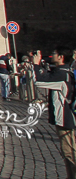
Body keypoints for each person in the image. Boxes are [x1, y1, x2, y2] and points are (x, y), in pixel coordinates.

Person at [37, 50, 76, 179]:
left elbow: (39, 82)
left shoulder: (61, 74)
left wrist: (37, 65)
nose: (51, 55)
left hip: (66, 118)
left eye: (54, 53)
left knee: (70, 152)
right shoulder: (64, 72)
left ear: (61, 57)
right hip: (65, 117)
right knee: (68, 152)